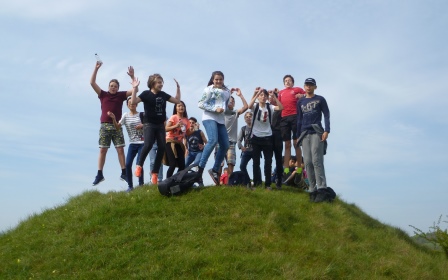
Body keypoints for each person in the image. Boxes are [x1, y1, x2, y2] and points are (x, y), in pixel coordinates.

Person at [89, 61, 135, 186]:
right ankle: (99, 174)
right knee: (103, 150)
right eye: (111, 85)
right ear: (108, 86)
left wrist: (132, 77)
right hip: (105, 125)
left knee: (120, 149)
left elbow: (134, 89)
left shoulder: (121, 95)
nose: (113, 87)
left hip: (117, 125)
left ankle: (124, 172)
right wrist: (96, 68)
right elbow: (92, 83)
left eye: (115, 86)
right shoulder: (103, 94)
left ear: (118, 88)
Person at [131, 74, 181, 184]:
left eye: (162, 82)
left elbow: (177, 101)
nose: (161, 84)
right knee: (148, 144)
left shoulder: (163, 95)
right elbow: (133, 102)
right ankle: (139, 165)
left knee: (162, 147)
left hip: (160, 125)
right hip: (149, 123)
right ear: (152, 83)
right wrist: (134, 88)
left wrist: (178, 88)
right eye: (159, 82)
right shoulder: (146, 94)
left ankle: (155, 172)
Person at [296, 78, 330, 202]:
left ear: (315, 87)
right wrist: (297, 135)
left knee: (317, 160)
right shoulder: (300, 102)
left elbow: (326, 114)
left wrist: (327, 130)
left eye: (311, 85)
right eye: (307, 85)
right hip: (304, 133)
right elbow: (299, 119)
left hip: (317, 131)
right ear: (304, 87)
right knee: (308, 162)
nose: (308, 87)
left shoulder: (320, 99)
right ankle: (312, 189)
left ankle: (322, 188)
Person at [197, 71, 231, 185]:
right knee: (212, 140)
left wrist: (228, 107)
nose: (218, 81)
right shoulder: (209, 89)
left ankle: (215, 170)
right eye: (216, 79)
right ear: (212, 79)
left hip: (220, 120)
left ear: (223, 80)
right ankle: (200, 169)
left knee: (226, 144)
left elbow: (225, 106)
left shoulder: (227, 91)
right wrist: (214, 109)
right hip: (209, 117)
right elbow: (201, 103)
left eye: (220, 79)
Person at [247, 88, 283, 190]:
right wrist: (256, 93)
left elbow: (281, 107)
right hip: (256, 137)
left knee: (268, 162)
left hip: (267, 137)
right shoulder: (255, 106)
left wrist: (274, 96)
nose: (263, 97)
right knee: (256, 162)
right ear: (258, 97)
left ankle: (267, 184)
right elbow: (249, 106)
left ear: (267, 97)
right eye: (261, 95)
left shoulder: (270, 107)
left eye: (264, 95)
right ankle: (257, 183)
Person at [108, 97, 144, 192]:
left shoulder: (142, 115)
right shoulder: (125, 115)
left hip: (142, 142)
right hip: (132, 143)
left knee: (139, 164)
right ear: (127, 105)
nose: (132, 104)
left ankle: (141, 184)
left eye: (133, 103)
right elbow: (117, 127)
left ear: (136, 104)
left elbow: (149, 125)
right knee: (127, 164)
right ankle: (130, 186)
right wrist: (113, 119)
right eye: (129, 103)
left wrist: (142, 125)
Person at [278, 75, 306, 178]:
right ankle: (286, 169)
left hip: (295, 117)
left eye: (289, 80)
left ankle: (299, 168)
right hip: (284, 118)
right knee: (287, 144)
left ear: (293, 82)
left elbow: (307, 94)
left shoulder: (297, 89)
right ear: (284, 83)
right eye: (286, 80)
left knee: (296, 143)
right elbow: (276, 103)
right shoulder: (281, 92)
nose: (287, 82)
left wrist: (301, 96)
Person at [218, 89, 248, 179]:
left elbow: (246, 107)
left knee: (231, 162)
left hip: (231, 142)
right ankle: (218, 182)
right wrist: (228, 94)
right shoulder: (221, 111)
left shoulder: (235, 113)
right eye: (229, 100)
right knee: (219, 161)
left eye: (233, 101)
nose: (231, 101)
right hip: (220, 141)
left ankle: (230, 182)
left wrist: (241, 95)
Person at [165, 101, 192, 177]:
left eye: (182, 106)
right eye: (179, 106)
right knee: (172, 164)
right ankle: (167, 182)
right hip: (170, 142)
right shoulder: (174, 117)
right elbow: (166, 129)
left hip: (179, 143)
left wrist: (194, 129)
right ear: (176, 108)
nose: (181, 107)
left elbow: (187, 133)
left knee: (182, 166)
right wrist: (175, 126)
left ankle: (176, 180)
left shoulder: (186, 120)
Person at [139, 112, 164, 183]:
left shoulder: (160, 113)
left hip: (159, 140)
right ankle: (152, 179)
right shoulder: (143, 115)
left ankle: (159, 179)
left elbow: (164, 124)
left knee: (159, 161)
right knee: (152, 161)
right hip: (151, 142)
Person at [268, 89, 284, 189]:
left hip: (278, 133)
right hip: (268, 134)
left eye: (272, 97)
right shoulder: (267, 107)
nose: (270, 99)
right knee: (268, 158)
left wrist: (275, 96)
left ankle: (279, 179)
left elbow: (282, 107)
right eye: (269, 97)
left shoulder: (279, 107)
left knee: (278, 158)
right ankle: (268, 180)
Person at [237, 111, 254, 187]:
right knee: (242, 166)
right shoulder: (243, 128)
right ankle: (247, 181)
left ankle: (258, 182)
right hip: (246, 150)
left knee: (256, 166)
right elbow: (239, 139)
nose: (248, 118)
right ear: (244, 119)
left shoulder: (257, 127)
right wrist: (241, 147)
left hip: (255, 150)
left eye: (250, 116)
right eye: (246, 117)